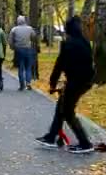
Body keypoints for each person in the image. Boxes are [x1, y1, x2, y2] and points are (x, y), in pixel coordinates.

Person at [35, 16, 96, 154]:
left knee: (68, 112)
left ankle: (85, 143)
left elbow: (59, 65)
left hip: (76, 82)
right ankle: (51, 137)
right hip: (85, 81)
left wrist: (52, 83)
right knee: (61, 106)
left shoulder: (68, 44)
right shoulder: (85, 42)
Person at [9, 16, 36, 91]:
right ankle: (28, 83)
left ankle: (22, 85)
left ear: (18, 21)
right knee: (28, 67)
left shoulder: (14, 29)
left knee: (21, 68)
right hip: (28, 49)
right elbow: (34, 37)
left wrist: (12, 47)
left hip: (18, 50)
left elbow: (10, 40)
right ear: (24, 21)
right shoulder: (30, 28)